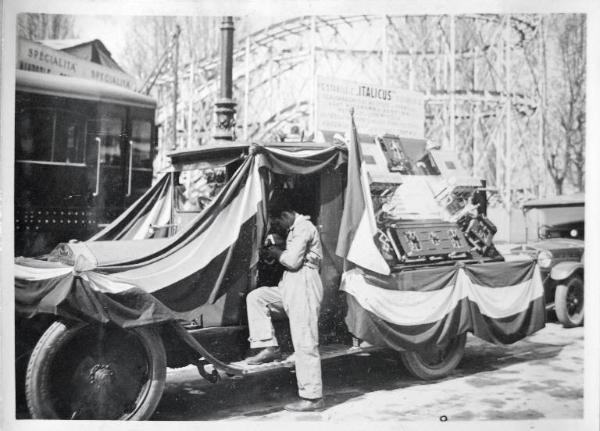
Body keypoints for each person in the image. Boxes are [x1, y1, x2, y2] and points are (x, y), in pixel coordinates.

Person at [245, 201, 325, 412]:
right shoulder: (294, 229)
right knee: (257, 298)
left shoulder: (304, 227)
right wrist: (278, 243)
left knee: (305, 340)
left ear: (289, 213)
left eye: (279, 219)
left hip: (304, 283)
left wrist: (275, 252)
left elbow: (292, 261)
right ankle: (268, 346)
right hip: (290, 285)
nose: (277, 224)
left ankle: (312, 397)